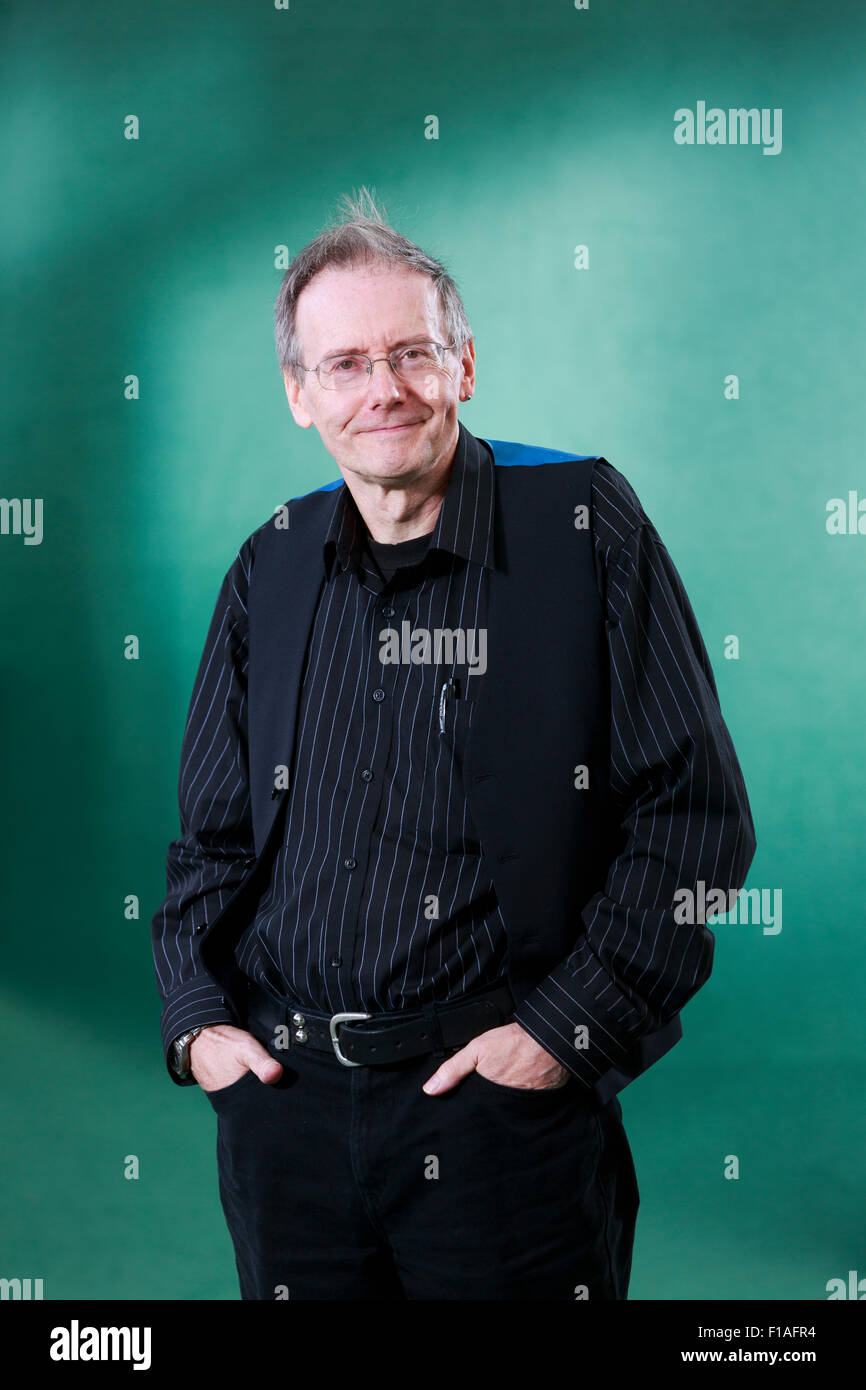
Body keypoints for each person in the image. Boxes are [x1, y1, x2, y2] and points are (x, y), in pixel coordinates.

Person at [151, 187, 757, 1301]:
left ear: (464, 365)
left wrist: (561, 1035)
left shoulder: (582, 523)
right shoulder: (268, 566)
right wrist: (198, 1027)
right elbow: (212, 841)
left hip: (496, 1120)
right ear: (297, 393)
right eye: (342, 364)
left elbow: (693, 821)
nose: (382, 389)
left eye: (411, 353)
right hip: (283, 1113)